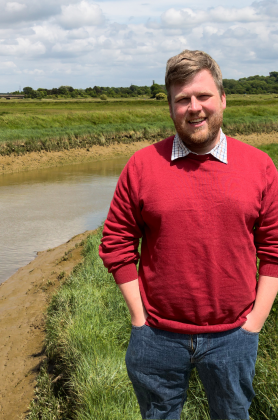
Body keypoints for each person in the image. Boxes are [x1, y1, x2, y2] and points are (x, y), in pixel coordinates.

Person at [99, 50, 278, 419]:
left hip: (234, 336)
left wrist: (255, 322)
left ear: (223, 99)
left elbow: (275, 250)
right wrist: (138, 317)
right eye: (182, 99)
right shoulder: (142, 165)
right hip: (156, 335)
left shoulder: (259, 166)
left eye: (203, 96)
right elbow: (116, 243)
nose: (194, 107)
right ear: (170, 107)